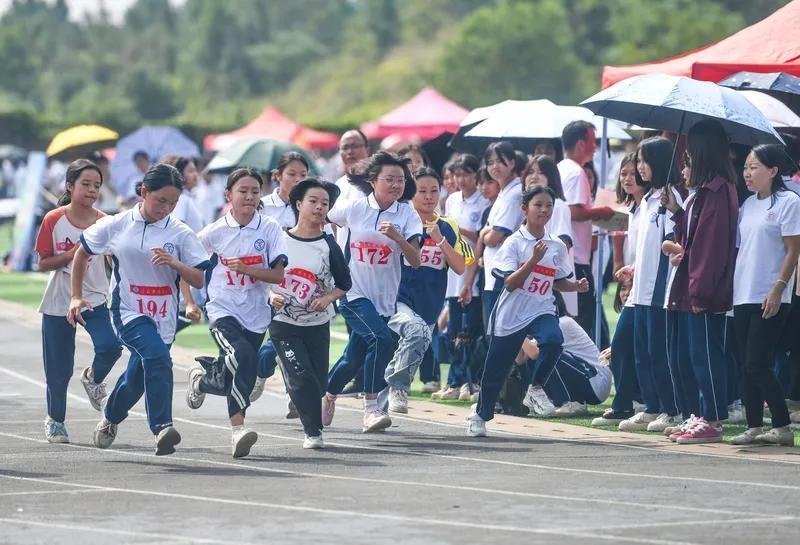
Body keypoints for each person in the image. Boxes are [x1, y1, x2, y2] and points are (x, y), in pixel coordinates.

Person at [70, 164, 210, 455]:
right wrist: (76, 296)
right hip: (129, 310)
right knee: (158, 358)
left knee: (136, 379)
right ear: (144, 192)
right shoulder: (116, 225)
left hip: (165, 315)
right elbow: (82, 253)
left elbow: (199, 277)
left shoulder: (181, 233)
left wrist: (176, 264)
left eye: (173, 203)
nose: (166, 208)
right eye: (161, 200)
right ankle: (162, 428)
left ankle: (110, 417)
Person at [467, 186, 588, 436]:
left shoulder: (556, 245)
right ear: (525, 208)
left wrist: (574, 286)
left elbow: (557, 281)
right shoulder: (514, 243)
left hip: (542, 308)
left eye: (548, 206)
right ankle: (481, 414)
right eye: (538, 205)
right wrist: (532, 261)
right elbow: (509, 283)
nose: (544, 210)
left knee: (553, 341)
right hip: (511, 314)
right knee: (496, 369)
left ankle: (535, 389)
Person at [185, 168, 287, 458]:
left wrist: (247, 269)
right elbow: (187, 265)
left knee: (240, 368)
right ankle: (238, 430)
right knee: (243, 356)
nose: (250, 196)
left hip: (256, 313)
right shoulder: (214, 233)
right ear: (228, 195)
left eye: (255, 191)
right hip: (222, 308)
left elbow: (278, 275)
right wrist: (190, 301)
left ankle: (202, 380)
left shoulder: (269, 229)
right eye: (243, 191)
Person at [324, 151, 422, 432]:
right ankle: (371, 407)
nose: (395, 185)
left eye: (400, 180)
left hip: (385, 299)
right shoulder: (354, 208)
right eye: (389, 179)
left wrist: (398, 238)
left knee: (352, 358)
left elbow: (415, 260)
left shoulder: (407, 213)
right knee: (381, 340)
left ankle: (328, 395)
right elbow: (322, 218)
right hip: (353, 293)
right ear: (372, 180)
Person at [661, 119, 739, 444]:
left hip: (705, 291)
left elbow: (711, 247)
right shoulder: (699, 194)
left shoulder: (718, 193)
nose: (684, 164)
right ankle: (702, 414)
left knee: (706, 355)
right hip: (693, 287)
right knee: (694, 355)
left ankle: (713, 418)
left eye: (689, 156)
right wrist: (677, 211)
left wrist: (699, 289)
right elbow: (691, 238)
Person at [34, 159, 122, 443]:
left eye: (97, 185)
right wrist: (73, 253)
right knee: (58, 370)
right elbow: (43, 263)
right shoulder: (53, 220)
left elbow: (116, 258)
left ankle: (93, 378)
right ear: (70, 187)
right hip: (60, 301)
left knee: (110, 347)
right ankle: (56, 421)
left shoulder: (105, 223)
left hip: (94, 298)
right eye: (85, 184)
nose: (92, 190)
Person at [269, 178, 351, 448]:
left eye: (324, 203)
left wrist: (327, 298)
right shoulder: (278, 238)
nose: (319, 207)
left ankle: (313, 425)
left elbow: (344, 284)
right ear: (298, 204)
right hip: (283, 323)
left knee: (317, 381)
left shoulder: (328, 244)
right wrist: (271, 295)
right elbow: (263, 278)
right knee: (300, 376)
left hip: (317, 324)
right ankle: (312, 432)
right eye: (313, 201)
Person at [730, 144, 800, 446]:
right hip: (742, 294)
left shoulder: (788, 202)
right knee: (746, 364)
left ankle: (783, 426)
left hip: (770, 295)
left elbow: (793, 250)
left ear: (773, 171)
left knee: (757, 362)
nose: (747, 173)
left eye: (754, 167)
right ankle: (755, 426)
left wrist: (778, 287)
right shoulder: (747, 206)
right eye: (746, 167)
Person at [386, 167, 471, 412]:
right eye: (422, 191)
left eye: (434, 190)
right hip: (398, 297)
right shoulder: (400, 221)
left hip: (430, 302)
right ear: (411, 193)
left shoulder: (447, 225)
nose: (428, 196)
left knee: (413, 349)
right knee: (413, 335)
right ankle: (399, 388)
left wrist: (440, 239)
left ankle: (376, 406)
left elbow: (458, 266)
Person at [617, 137, 683, 434]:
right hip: (641, 291)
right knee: (642, 351)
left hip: (660, 291)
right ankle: (652, 406)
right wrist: (634, 268)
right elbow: (646, 246)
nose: (640, 167)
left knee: (659, 353)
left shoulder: (670, 199)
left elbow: (673, 242)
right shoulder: (646, 201)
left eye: (644, 161)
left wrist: (667, 248)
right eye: (638, 161)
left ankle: (671, 409)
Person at [250, 151, 311, 404]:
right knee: (278, 338)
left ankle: (295, 394)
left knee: (299, 338)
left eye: (304, 175)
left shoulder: (310, 203)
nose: (298, 179)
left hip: (304, 281)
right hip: (271, 281)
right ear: (277, 177)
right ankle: (261, 373)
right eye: (292, 174)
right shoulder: (263, 206)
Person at [592, 153, 647, 426]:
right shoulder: (634, 210)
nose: (627, 178)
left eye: (633, 172)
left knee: (628, 345)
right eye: (623, 174)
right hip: (633, 286)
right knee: (622, 345)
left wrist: (634, 273)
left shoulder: (650, 206)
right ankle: (626, 402)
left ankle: (643, 402)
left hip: (647, 289)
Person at [434, 154, 489, 399]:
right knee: (455, 331)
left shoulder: (482, 202)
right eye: (458, 174)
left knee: (471, 331)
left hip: (472, 274)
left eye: (466, 174)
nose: (461, 179)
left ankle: (471, 381)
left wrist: (456, 229)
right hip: (454, 274)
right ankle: (455, 382)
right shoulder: (453, 200)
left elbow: (480, 238)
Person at [558, 121, 615, 339]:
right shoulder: (576, 172)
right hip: (577, 259)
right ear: (581, 143)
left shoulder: (560, 168)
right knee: (581, 324)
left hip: (565, 256)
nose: (595, 147)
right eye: (592, 141)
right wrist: (600, 211)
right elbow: (574, 211)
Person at [523, 315, 612, 416]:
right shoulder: (548, 327)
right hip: (589, 379)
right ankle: (554, 401)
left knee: (550, 353)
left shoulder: (561, 323)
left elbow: (534, 353)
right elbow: (521, 358)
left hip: (597, 382)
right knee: (539, 357)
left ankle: (573, 401)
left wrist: (518, 330)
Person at [479, 142, 525, 336]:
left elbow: (494, 237)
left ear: (512, 162)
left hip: (504, 273)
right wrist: (486, 233)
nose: (494, 166)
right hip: (494, 272)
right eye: (490, 162)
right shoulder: (503, 192)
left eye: (500, 161)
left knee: (501, 334)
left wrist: (483, 233)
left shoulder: (514, 194)